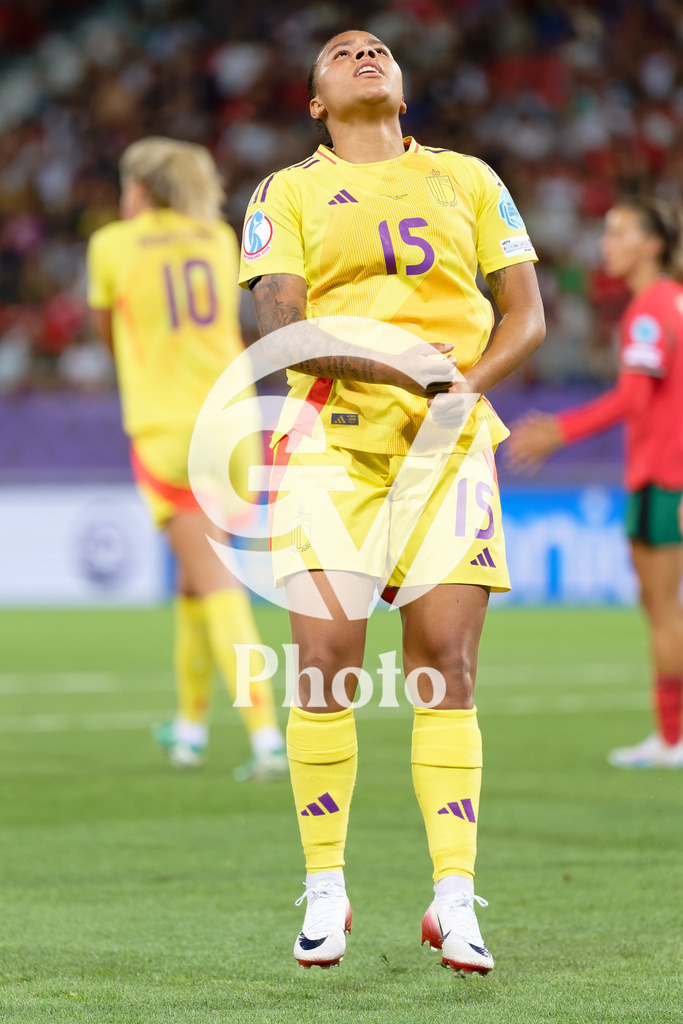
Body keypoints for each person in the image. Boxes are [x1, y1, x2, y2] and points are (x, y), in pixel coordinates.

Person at [238, 32, 545, 972]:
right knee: (326, 665)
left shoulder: (468, 177)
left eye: (378, 49)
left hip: (448, 447)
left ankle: (453, 898)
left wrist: (463, 389)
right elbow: (282, 326)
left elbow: (524, 315)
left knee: (443, 666)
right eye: (341, 53)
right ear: (316, 103)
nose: (366, 55)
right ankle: (325, 888)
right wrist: (406, 370)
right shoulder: (284, 191)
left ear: (403, 91)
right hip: (329, 440)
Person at [87, 137, 288, 781]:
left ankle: (266, 739)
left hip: (171, 431)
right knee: (194, 582)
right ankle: (193, 728)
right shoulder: (217, 238)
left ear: (139, 189)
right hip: (234, 425)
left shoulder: (112, 245)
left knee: (215, 581)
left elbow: (108, 333)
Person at [508, 196, 683, 770]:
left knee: (663, 610)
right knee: (659, 606)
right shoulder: (668, 305)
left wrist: (561, 431)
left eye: (620, 232)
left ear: (652, 245)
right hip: (661, 472)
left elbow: (635, 397)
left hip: (664, 476)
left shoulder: (653, 309)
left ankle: (673, 739)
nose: (606, 244)